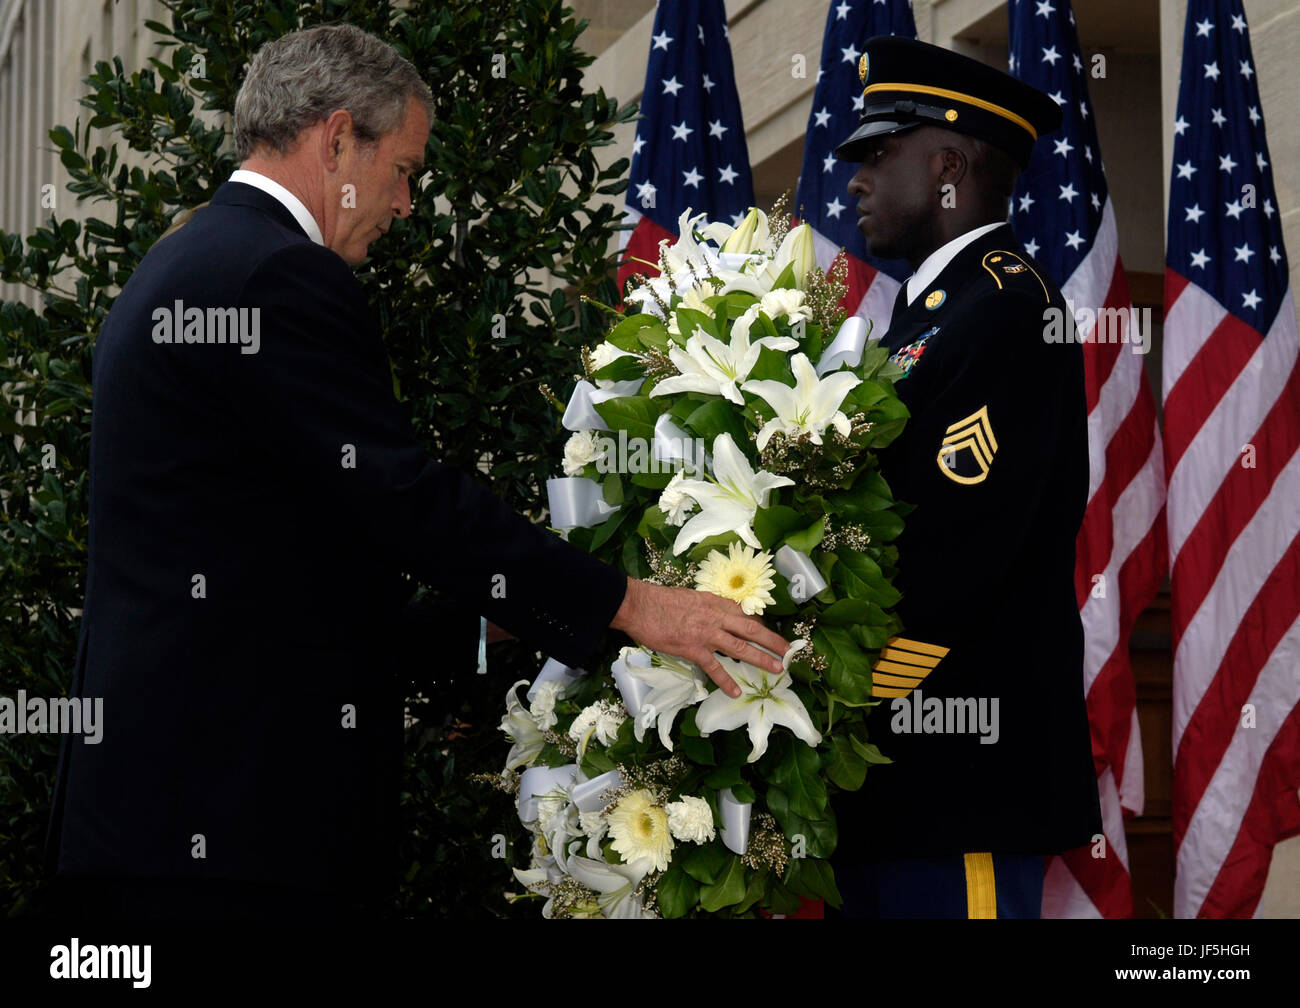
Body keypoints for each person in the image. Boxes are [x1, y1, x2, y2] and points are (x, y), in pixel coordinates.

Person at [43, 24, 789, 919]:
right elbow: (407, 502)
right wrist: (633, 603)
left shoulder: (186, 262)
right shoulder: (277, 274)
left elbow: (289, 585)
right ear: (337, 138)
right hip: (237, 830)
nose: (405, 203)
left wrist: (502, 621)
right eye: (403, 169)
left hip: (168, 817)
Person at [828, 36, 1102, 919]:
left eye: (877, 154)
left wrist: (821, 678)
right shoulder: (929, 320)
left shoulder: (1008, 310)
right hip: (897, 782)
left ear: (949, 163)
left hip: (958, 772)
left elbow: (955, 551)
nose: (855, 181)